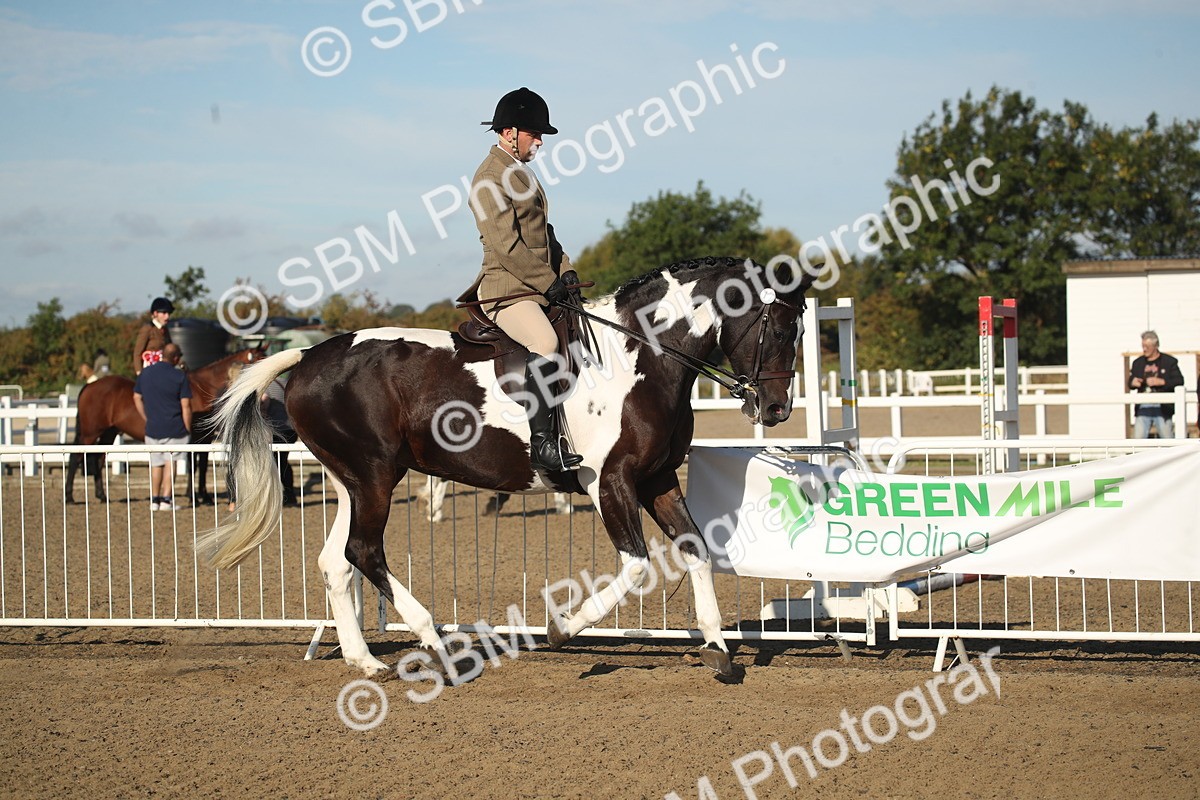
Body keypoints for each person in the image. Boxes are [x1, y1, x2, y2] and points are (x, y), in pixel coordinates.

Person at [457, 87, 582, 473]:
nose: (540, 141)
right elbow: (507, 246)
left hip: (536, 285)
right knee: (545, 342)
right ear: (510, 132)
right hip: (507, 291)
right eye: (535, 134)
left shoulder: (520, 174)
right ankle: (543, 446)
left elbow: (544, 232)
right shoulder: (488, 179)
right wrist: (549, 283)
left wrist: (567, 271)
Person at [133, 343, 192, 510]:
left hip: (152, 428)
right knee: (170, 463)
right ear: (175, 358)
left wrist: (145, 416)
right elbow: (186, 406)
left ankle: (154, 500)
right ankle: (166, 499)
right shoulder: (179, 376)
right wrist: (187, 428)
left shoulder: (146, 373)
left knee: (156, 464)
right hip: (174, 427)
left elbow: (136, 397)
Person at [1128, 330, 1184, 439]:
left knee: (1167, 438)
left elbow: (1179, 381)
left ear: (1155, 345)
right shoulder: (1138, 363)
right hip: (1143, 404)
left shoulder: (1169, 362)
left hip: (1162, 405)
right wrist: (1133, 382)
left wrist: (1162, 382)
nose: (1144, 349)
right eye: (1143, 346)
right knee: (1138, 439)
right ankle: (1139, 456)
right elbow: (1130, 381)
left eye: (1147, 346)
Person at [262, 376, 299, 507]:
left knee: (277, 463)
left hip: (277, 430)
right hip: (291, 429)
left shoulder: (265, 385)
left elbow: (264, 407)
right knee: (283, 461)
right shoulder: (286, 382)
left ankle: (283, 495)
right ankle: (289, 494)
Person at [134, 297, 174, 375]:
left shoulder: (165, 330)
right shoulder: (147, 329)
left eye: (169, 313)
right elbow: (137, 353)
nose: (167, 316)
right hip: (149, 370)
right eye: (164, 313)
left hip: (163, 369)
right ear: (155, 313)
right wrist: (139, 373)